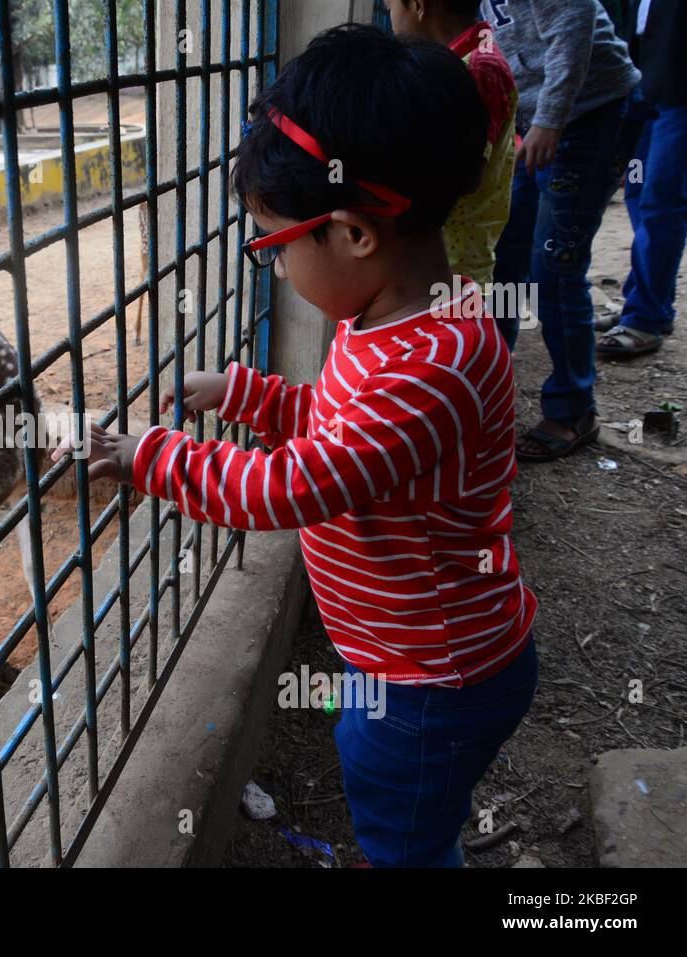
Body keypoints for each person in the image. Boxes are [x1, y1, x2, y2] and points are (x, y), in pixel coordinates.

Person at [55, 24, 537, 868]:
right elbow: (344, 425)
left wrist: (153, 457)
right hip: (409, 663)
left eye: (274, 246)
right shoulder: (400, 318)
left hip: (430, 681)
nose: (273, 268)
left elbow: (299, 484)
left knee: (403, 842)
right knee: (410, 819)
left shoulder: (434, 361)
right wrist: (251, 394)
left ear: (352, 233)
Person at [489, 0, 641, 461]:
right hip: (536, 119)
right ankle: (489, 387)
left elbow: (572, 30)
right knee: (505, 254)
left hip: (592, 113)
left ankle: (574, 409)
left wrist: (549, 120)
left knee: (554, 267)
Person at [387, 0, 517, 293]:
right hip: (447, 253)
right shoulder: (464, 61)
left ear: (418, 5)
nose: (391, 18)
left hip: (452, 260)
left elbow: (464, 173)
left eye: (391, 6)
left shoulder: (476, 70)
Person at [596, 0, 687, 359]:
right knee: (636, 192)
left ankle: (644, 318)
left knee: (660, 202)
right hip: (642, 97)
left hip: (679, 101)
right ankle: (650, 302)